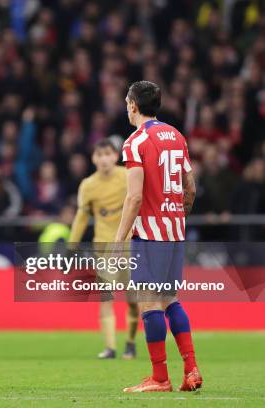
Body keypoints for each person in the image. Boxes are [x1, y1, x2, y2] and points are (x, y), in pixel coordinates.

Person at [115, 81, 201, 392]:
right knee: (170, 300)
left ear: (134, 106)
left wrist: (118, 239)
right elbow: (189, 187)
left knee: (148, 304)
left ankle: (160, 378)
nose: (126, 106)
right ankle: (191, 369)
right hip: (175, 232)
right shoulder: (177, 136)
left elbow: (134, 198)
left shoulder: (135, 142)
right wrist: (177, 218)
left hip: (149, 236)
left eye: (127, 101)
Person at [68, 138, 139, 360]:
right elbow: (81, 217)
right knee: (106, 297)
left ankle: (130, 342)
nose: (104, 159)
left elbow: (141, 202)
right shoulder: (88, 186)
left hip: (130, 246)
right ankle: (110, 348)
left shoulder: (128, 176)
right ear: (93, 159)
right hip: (104, 248)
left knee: (133, 300)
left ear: (115, 156)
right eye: (99, 155)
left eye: (108, 154)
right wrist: (72, 245)